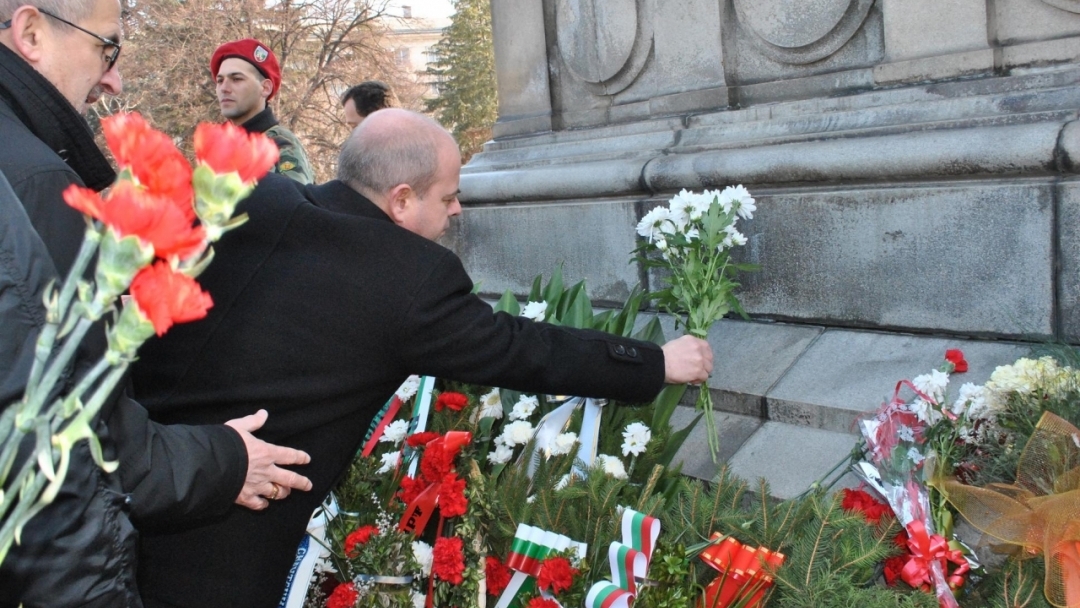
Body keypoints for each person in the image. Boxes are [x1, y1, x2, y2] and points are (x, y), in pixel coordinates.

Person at [131, 108, 714, 607]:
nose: (458, 210)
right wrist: (656, 363)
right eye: (449, 195)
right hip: (225, 547)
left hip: (132, 484)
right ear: (402, 200)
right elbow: (522, 349)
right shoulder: (406, 280)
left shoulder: (258, 197)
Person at [0, 2, 312, 605]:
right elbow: (86, 439)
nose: (114, 78)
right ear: (32, 34)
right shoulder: (38, 181)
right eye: (107, 49)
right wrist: (224, 460)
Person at [212, 38, 314, 184]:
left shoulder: (281, 144)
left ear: (265, 88)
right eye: (220, 81)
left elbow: (294, 203)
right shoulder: (219, 146)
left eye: (236, 79)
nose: (224, 88)